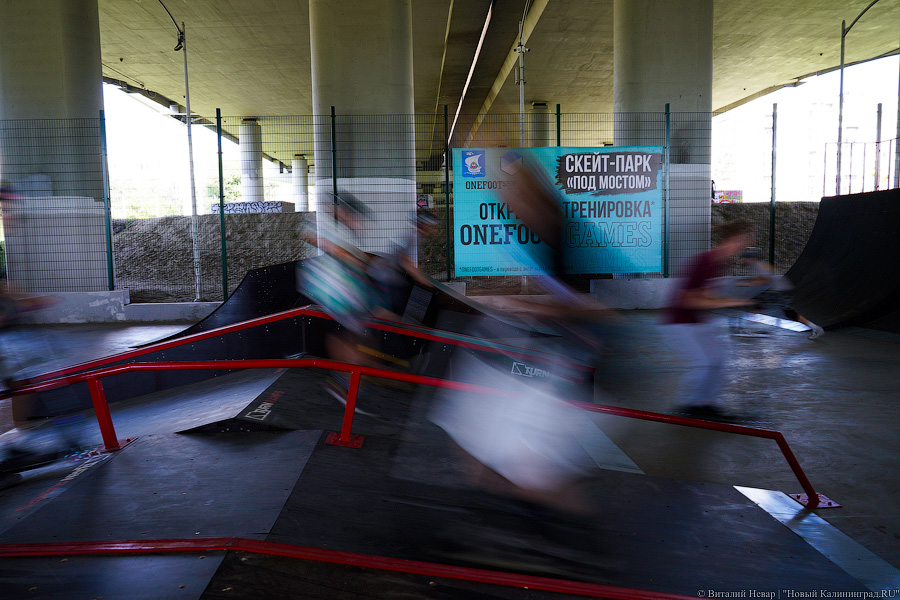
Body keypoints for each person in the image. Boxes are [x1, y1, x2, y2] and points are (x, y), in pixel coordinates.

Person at [660, 219, 757, 422]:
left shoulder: (722, 264)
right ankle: (688, 406)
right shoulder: (705, 261)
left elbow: (706, 295)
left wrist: (737, 301)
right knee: (705, 363)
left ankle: (704, 404)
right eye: (742, 241)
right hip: (680, 322)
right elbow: (688, 300)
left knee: (719, 360)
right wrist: (732, 302)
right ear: (731, 240)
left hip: (700, 321)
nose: (744, 246)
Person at [739, 248, 825, 340]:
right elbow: (762, 276)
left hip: (778, 290)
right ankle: (752, 328)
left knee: (758, 305)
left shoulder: (758, 265)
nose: (742, 261)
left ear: (749, 258)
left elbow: (765, 279)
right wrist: (747, 280)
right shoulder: (758, 265)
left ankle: (815, 328)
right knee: (760, 305)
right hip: (778, 289)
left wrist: (748, 284)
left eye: (743, 258)